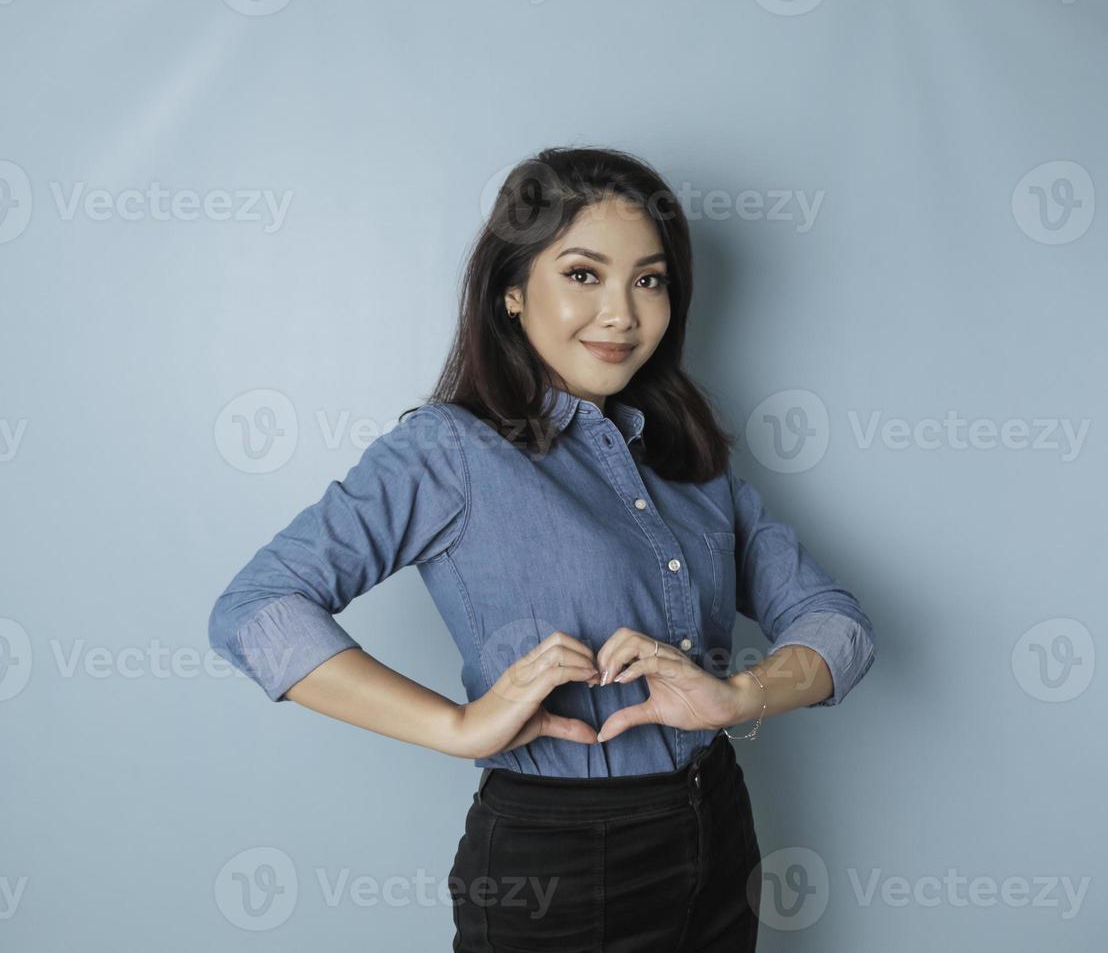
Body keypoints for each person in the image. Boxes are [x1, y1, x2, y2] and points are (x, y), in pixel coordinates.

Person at [207, 146, 876, 951]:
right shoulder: (450, 453)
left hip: (718, 827)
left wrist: (738, 698)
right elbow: (256, 608)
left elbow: (837, 625)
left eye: (650, 280)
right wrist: (457, 727)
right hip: (558, 862)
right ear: (513, 292)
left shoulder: (690, 461)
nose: (624, 314)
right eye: (584, 274)